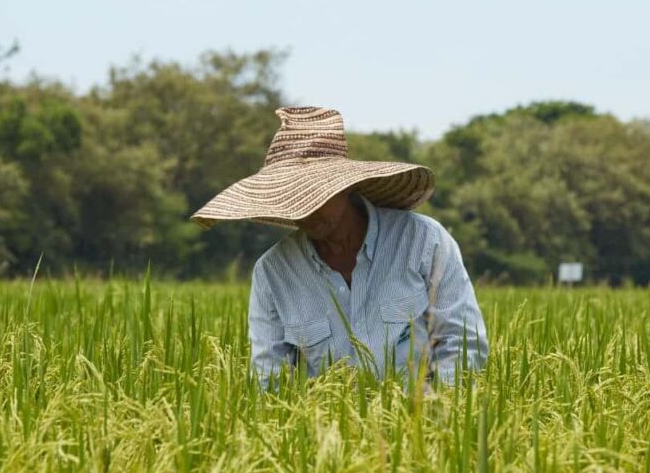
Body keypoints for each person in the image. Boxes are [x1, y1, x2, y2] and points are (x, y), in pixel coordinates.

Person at [191, 106, 488, 389]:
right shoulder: (273, 273)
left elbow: (461, 342)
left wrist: (434, 412)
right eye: (291, 199)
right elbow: (270, 377)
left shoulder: (424, 241)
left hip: (421, 428)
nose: (304, 210)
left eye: (314, 195)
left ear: (344, 186)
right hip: (325, 435)